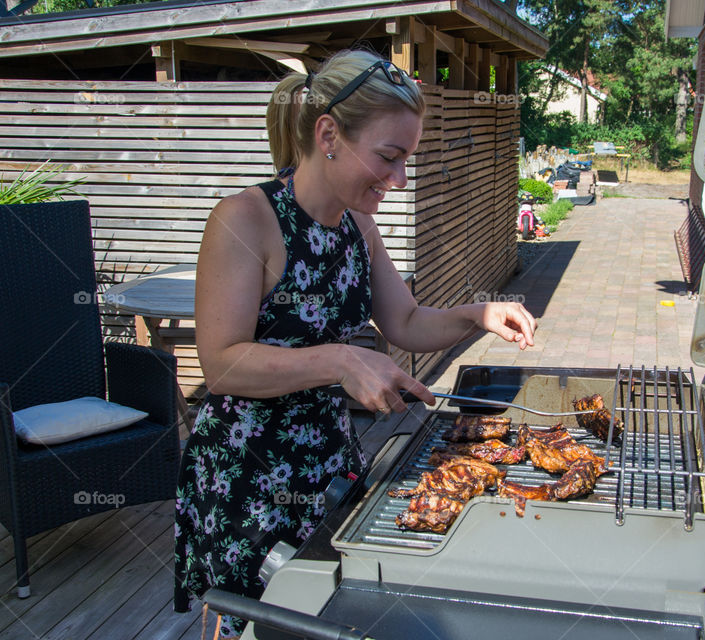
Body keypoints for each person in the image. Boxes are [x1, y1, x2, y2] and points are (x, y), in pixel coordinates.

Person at [173, 49, 537, 638]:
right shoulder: (244, 220)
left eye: (406, 161)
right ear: (328, 135)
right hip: (249, 479)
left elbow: (408, 323)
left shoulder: (357, 227)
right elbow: (221, 365)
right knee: (258, 628)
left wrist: (479, 312)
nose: (398, 179)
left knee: (326, 617)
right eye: (389, 158)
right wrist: (340, 359)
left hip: (330, 466)